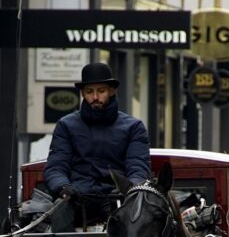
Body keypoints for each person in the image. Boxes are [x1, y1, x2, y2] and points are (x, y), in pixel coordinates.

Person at [43, 63, 151, 228]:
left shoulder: (134, 127)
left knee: (139, 223)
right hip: (77, 198)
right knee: (59, 213)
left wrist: (128, 188)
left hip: (117, 198)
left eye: (101, 91)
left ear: (111, 91)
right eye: (89, 92)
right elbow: (56, 166)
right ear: (82, 94)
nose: (95, 97)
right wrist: (64, 187)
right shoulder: (66, 125)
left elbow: (138, 166)